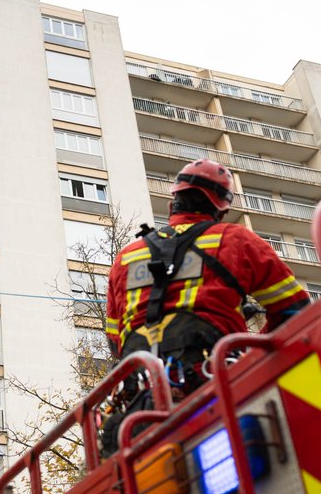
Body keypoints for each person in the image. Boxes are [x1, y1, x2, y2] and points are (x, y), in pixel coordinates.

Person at [105, 159, 309, 390]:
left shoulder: (126, 258)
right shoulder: (235, 240)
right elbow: (293, 309)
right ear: (221, 211)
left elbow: (115, 342)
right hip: (217, 378)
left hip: (143, 389)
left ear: (173, 206)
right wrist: (251, 352)